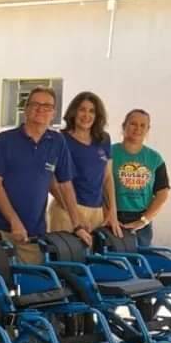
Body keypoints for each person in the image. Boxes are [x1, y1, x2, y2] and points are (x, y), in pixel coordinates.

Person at [0, 87, 92, 263]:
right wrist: (14, 221)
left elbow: (64, 185)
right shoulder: (4, 140)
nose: (41, 109)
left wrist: (77, 224)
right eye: (35, 104)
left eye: (47, 106)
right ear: (26, 110)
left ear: (53, 113)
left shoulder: (57, 142)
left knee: (32, 284)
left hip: (33, 232)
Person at [49, 92, 122, 236]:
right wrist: (76, 215)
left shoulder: (103, 139)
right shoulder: (59, 139)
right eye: (82, 109)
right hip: (66, 211)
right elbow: (51, 180)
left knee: (92, 258)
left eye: (92, 111)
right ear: (73, 111)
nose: (86, 115)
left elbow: (107, 178)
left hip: (97, 212)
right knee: (67, 257)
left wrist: (112, 212)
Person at [112, 108, 169, 247]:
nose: (137, 128)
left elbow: (162, 193)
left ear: (147, 129)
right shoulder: (109, 153)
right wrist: (109, 216)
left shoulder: (155, 158)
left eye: (143, 125)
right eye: (133, 123)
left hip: (141, 221)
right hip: (113, 218)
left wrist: (144, 220)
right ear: (124, 126)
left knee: (140, 264)